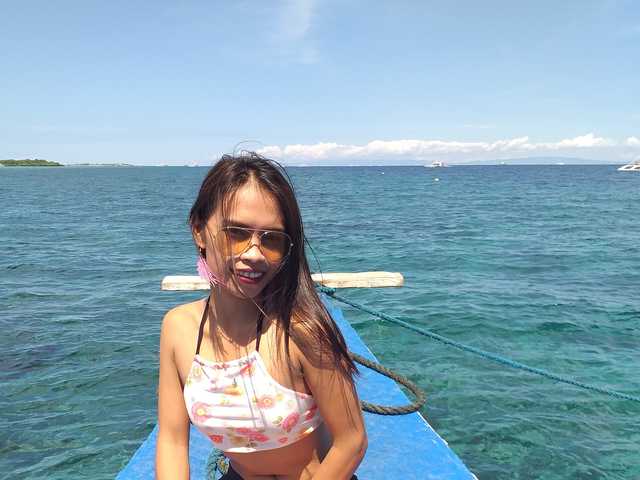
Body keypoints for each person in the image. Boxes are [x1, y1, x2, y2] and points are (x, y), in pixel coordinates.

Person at [155, 152, 367, 480]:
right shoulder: (178, 327)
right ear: (199, 230)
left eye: (271, 239)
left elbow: (351, 441)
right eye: (236, 233)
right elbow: (172, 440)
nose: (254, 254)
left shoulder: (301, 331)